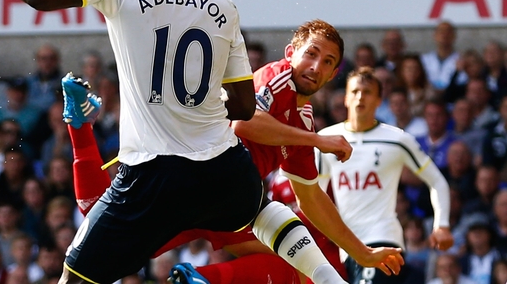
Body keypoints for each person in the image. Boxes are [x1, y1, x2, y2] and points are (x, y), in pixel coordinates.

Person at [0, 0, 377, 284]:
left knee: (77, 273)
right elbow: (243, 105)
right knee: (259, 212)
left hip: (152, 173)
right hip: (225, 172)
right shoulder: (223, 6)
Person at [58, 21, 404, 284]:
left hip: (225, 204)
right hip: (199, 178)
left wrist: (363, 252)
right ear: (290, 54)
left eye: (327, 62)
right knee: (96, 221)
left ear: (333, 74)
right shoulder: (276, 77)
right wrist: (320, 142)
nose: (316, 66)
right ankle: (78, 123)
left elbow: (310, 198)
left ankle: (201, 279)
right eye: (311, 54)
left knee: (290, 259)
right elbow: (245, 123)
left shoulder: (304, 120)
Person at [317, 67, 454, 283]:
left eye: (367, 92)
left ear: (380, 100)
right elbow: (315, 195)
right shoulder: (326, 139)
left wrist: (442, 225)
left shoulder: (397, 139)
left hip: (383, 238)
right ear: (345, 98)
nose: (360, 97)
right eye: (354, 91)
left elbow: (436, 180)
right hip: (346, 246)